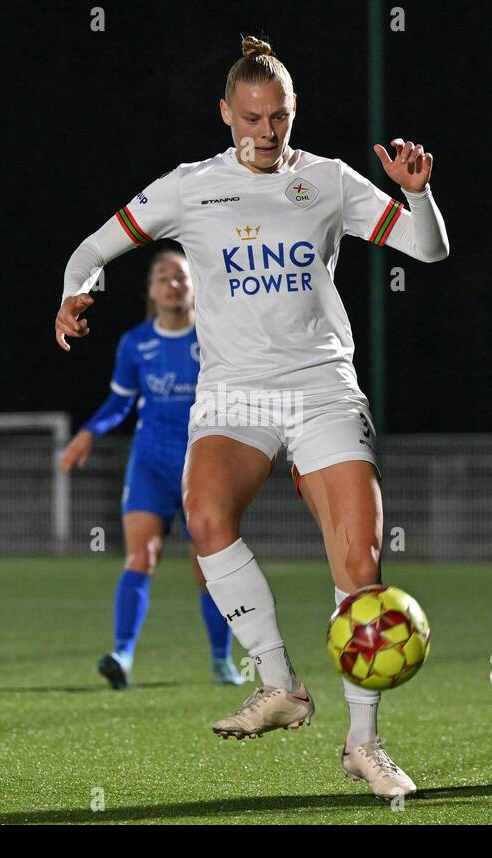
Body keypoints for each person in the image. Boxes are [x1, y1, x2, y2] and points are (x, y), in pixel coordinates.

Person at [55, 37, 449, 799]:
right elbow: (94, 245)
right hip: (235, 391)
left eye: (282, 117)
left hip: (323, 388)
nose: (268, 133)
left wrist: (417, 193)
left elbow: (428, 250)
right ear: (227, 113)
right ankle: (281, 685)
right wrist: (75, 291)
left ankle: (364, 744)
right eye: (255, 118)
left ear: (294, 113)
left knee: (361, 565)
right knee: (204, 515)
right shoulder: (189, 187)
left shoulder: (329, 181)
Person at [59, 249, 241, 688]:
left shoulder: (218, 337)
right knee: (141, 557)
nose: (172, 284)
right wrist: (88, 432)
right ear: (151, 291)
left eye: (181, 276)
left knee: (209, 565)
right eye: (163, 277)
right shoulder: (136, 343)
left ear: (195, 284)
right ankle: (121, 656)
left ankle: (221, 661)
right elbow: (121, 401)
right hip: (151, 462)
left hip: (204, 464)